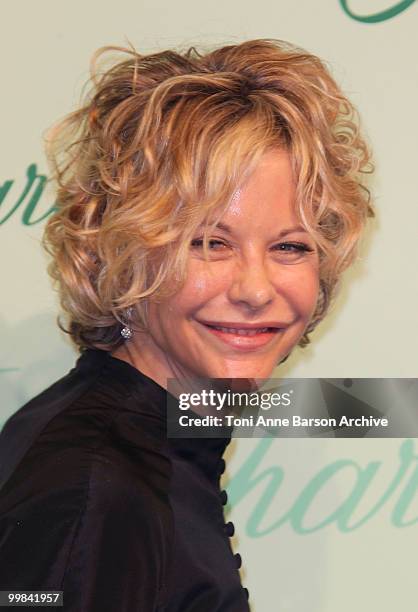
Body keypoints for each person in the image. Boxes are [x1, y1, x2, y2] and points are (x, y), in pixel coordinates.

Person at [0, 38, 374, 611]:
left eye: (291, 246)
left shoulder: (146, 434)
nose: (255, 289)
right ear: (123, 253)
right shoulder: (103, 489)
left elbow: (368, 409)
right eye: (209, 243)